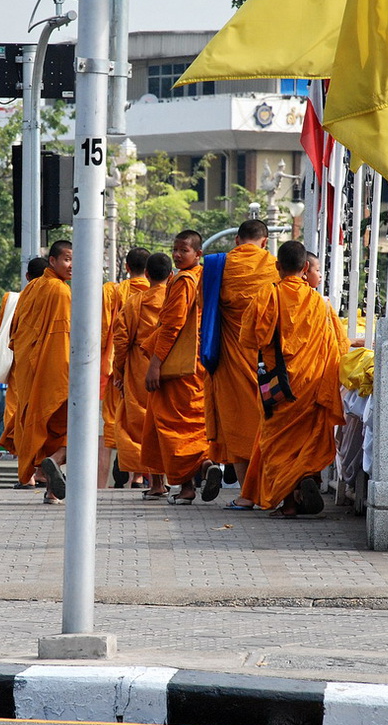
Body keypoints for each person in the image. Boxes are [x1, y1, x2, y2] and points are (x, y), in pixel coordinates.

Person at [238, 240, 349, 517]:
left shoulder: (267, 296)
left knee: (277, 444)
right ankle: (307, 478)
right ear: (304, 269)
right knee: (306, 441)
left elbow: (248, 339)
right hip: (313, 383)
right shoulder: (320, 303)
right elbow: (341, 345)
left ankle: (288, 503)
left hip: (279, 387)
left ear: (277, 267)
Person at [202, 219, 279, 510]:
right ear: (265, 241)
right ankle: (274, 487)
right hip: (267, 359)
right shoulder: (273, 266)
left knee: (236, 421)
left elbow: (204, 308)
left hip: (230, 355)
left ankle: (246, 494)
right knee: (267, 421)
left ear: (236, 240)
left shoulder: (216, 266)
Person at [141, 230, 222, 505]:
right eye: (175, 250)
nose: (177, 255)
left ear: (198, 254)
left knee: (173, 427)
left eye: (183, 251)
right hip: (200, 361)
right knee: (194, 424)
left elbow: (172, 326)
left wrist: (154, 365)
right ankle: (205, 464)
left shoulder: (185, 280)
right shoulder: (205, 277)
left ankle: (188, 487)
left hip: (179, 366)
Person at [0, 241, 72, 504]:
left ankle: (51, 491)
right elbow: (64, 337)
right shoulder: (61, 292)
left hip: (30, 373)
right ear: (51, 261)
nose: (71, 265)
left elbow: (14, 335)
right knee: (73, 433)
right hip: (57, 372)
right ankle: (53, 462)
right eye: (66, 259)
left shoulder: (30, 290)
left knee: (46, 430)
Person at [113, 251, 173, 499]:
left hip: (140, 368)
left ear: (146, 275)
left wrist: (119, 371)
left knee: (145, 426)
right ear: (171, 276)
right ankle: (187, 478)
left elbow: (121, 341)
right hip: (171, 367)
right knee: (172, 422)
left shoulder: (134, 302)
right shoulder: (176, 300)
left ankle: (157, 483)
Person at [101, 247, 151, 489]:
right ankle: (138, 476)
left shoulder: (115, 292)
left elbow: (106, 330)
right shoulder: (158, 294)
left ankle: (117, 467)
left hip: (117, 368)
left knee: (115, 420)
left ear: (128, 268)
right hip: (149, 368)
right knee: (143, 418)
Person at [0, 256, 48, 488]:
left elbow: (7, 332)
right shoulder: (57, 295)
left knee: (20, 418)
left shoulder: (12, 299)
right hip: (49, 366)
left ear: (27, 277)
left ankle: (26, 475)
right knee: (43, 418)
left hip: (21, 369)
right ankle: (40, 471)